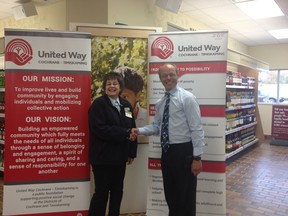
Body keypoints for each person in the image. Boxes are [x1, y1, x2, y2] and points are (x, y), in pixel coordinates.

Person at [132, 63, 205, 216]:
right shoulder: (161, 103)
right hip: (167, 153)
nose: (168, 78)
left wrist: (197, 157)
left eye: (171, 74)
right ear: (160, 78)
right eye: (164, 75)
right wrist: (139, 130)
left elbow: (197, 128)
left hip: (184, 152)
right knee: (171, 196)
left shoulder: (187, 98)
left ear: (177, 75)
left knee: (185, 198)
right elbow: (157, 127)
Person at [88, 72, 138, 216]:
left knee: (117, 192)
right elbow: (100, 129)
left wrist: (131, 152)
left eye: (115, 83)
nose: (112, 86)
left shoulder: (126, 106)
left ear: (120, 87)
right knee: (101, 194)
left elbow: (132, 128)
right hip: (102, 158)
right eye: (108, 84)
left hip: (120, 158)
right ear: (104, 87)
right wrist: (124, 133)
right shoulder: (98, 104)